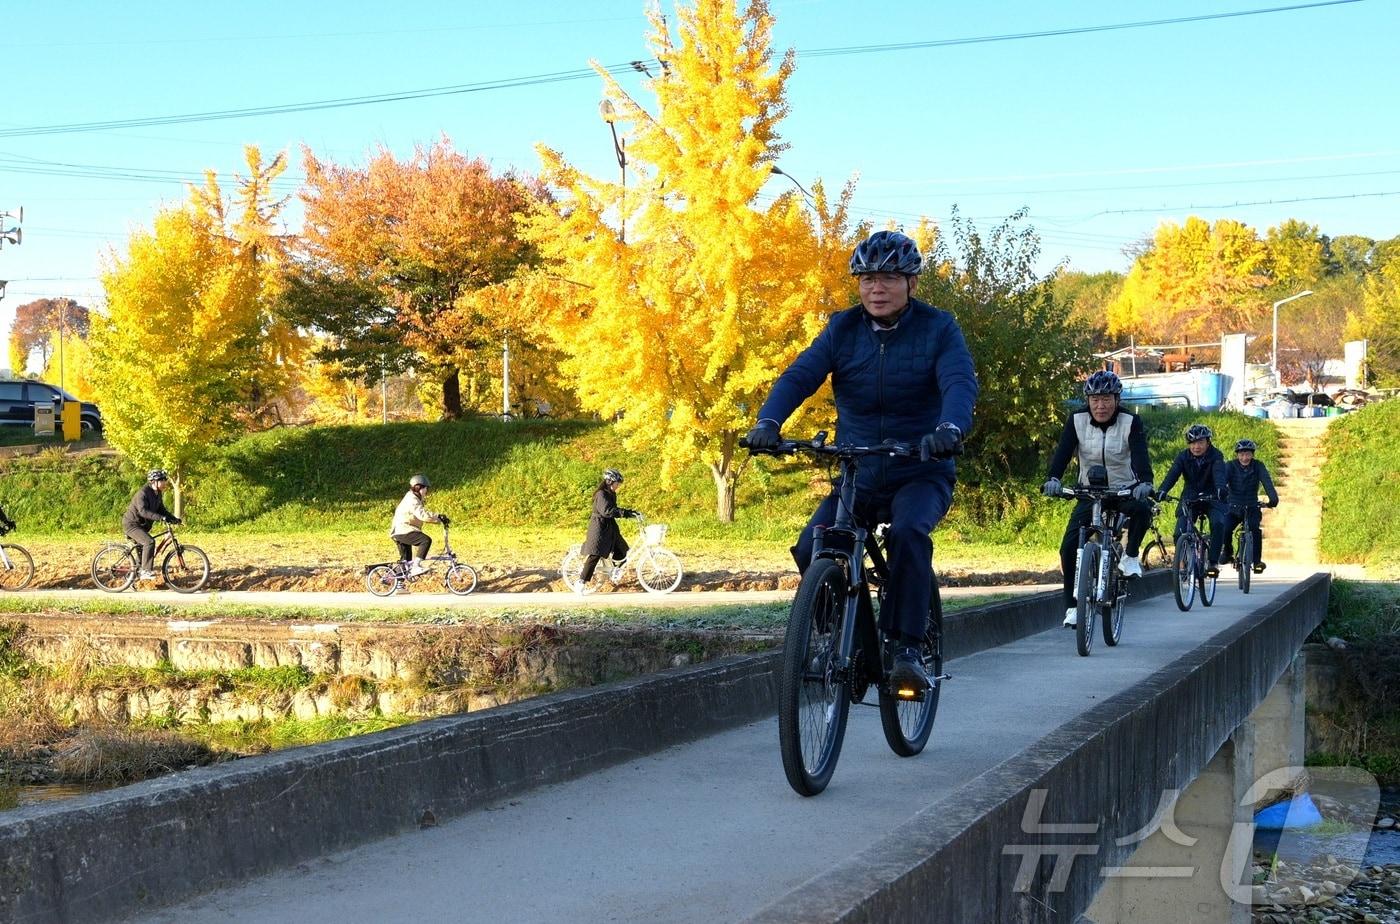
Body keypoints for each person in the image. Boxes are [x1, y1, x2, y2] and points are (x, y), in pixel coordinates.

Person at [745, 230, 978, 691]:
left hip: (921, 468)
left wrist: (949, 430)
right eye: (867, 278)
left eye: (889, 277)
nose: (876, 287)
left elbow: (958, 382)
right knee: (813, 545)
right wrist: (769, 421)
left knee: (909, 535)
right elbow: (801, 376)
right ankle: (841, 638)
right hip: (860, 471)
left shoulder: (939, 328)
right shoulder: (842, 329)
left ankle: (907, 647)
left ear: (911, 283)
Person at [1041, 371, 1155, 627]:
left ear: (1116, 399)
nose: (1100, 406)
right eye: (1095, 400)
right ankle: (1072, 607)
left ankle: (1131, 556)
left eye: (1106, 399)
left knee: (1142, 510)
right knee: (1069, 547)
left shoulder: (1130, 421)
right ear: (1087, 400)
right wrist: (1053, 479)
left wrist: (1145, 483)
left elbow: (1139, 456)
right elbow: (1062, 453)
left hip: (1122, 489)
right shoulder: (1076, 420)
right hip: (1089, 492)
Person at [1156, 424, 1228, 577]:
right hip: (1190, 496)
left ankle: (1213, 562)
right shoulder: (1183, 456)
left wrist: (1221, 488)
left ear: (1208, 442)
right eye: (1193, 443)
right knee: (1179, 532)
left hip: (1213, 495)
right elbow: (1173, 474)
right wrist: (1163, 490)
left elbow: (1219, 473)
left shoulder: (1216, 455)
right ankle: (1183, 563)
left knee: (1218, 523)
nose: (1196, 447)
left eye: (1200, 442)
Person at [575, 468, 638, 592]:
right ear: (609, 482)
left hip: (610, 527)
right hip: (599, 528)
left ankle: (615, 571)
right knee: (595, 555)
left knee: (623, 549)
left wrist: (630, 512)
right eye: (617, 483)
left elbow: (613, 509)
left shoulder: (611, 493)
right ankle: (581, 582)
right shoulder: (601, 494)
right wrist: (625, 513)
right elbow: (607, 511)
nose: (618, 486)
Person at [1222, 438, 1279, 573]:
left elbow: (1267, 482)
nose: (1244, 457)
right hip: (1233, 507)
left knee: (1255, 530)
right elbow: (1222, 482)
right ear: (1237, 455)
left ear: (1252, 454)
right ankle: (1228, 552)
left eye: (1247, 454)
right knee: (1225, 528)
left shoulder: (1258, 466)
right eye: (1241, 454)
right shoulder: (1230, 466)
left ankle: (1257, 561)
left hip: (1252, 507)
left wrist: (1273, 499)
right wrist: (1220, 496)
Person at [122, 469, 180, 580]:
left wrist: (173, 519)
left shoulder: (157, 494)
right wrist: (160, 518)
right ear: (154, 481)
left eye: (165, 480)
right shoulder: (143, 493)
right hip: (132, 524)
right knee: (149, 542)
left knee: (143, 552)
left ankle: (134, 576)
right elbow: (143, 511)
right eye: (162, 480)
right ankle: (145, 572)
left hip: (142, 526)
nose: (165, 483)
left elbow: (162, 510)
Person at [390, 474, 445, 576]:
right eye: (425, 488)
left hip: (401, 530)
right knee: (425, 540)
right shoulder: (412, 499)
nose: (426, 491)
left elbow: (423, 513)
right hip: (403, 530)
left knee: (406, 562)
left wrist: (437, 518)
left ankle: (399, 586)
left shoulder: (414, 498)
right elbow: (422, 515)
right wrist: (438, 518)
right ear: (418, 487)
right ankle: (416, 567)